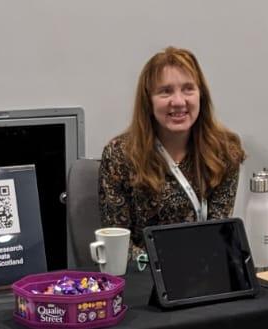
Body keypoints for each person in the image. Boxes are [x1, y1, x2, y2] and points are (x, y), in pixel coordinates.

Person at [98, 46, 245, 251]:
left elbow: (216, 235)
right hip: (142, 274)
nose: (178, 101)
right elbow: (118, 246)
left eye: (188, 89)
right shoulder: (119, 155)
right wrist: (166, 267)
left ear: (201, 95)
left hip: (202, 271)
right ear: (148, 101)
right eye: (165, 91)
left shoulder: (225, 152)